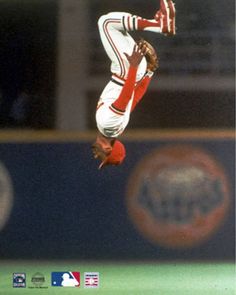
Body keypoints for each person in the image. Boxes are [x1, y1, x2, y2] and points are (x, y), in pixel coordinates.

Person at [92, 0, 176, 169]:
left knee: (112, 23)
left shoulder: (117, 129)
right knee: (106, 23)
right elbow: (124, 99)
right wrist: (134, 68)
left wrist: (149, 72)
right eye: (101, 157)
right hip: (126, 69)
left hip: (131, 71)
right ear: (108, 148)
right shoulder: (107, 126)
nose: (96, 155)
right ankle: (160, 26)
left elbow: (134, 100)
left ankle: (159, 25)